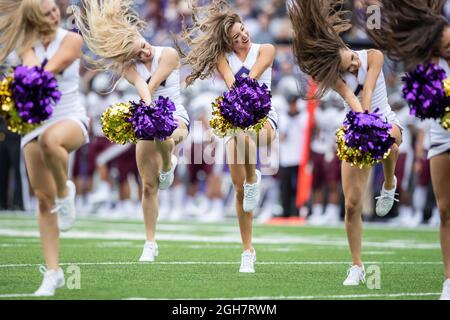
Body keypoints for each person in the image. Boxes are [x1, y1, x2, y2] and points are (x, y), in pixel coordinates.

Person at [288, 0, 403, 286]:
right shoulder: (333, 76)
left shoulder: (372, 55)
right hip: (354, 124)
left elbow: (367, 95)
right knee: (351, 204)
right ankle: (357, 266)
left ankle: (389, 183)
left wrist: (368, 120)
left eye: (351, 58)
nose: (353, 65)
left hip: (383, 117)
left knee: (390, 137)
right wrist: (361, 121)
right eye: (347, 66)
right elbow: (352, 101)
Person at [75, 0, 190, 262]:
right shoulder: (128, 68)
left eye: (143, 46)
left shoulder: (168, 53)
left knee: (169, 136)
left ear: (140, 36)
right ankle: (150, 243)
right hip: (148, 121)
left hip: (176, 116)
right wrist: (143, 110)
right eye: (138, 54)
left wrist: (144, 105)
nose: (145, 53)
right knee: (148, 187)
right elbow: (140, 84)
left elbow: (152, 84)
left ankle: (168, 162)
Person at [179, 0, 278, 273]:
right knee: (238, 190)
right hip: (237, 120)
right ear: (228, 42)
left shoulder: (265, 49)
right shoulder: (224, 59)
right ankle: (248, 250)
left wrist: (244, 88)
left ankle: (253, 177)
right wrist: (237, 99)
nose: (243, 36)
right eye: (236, 37)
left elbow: (254, 75)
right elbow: (230, 83)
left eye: (243, 30)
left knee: (246, 140)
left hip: (264, 116)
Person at [0, 0, 89, 296]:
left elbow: (48, 70)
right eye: (47, 12)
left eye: (54, 9)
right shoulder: (24, 44)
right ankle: (53, 273)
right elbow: (28, 71)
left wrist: (23, 81)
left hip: (69, 117)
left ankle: (66, 192)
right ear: (35, 18)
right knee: (41, 198)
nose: (55, 14)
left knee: (52, 141)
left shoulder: (72, 39)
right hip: (33, 123)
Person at [364, 0, 450, 300]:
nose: (448, 47)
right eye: (444, 45)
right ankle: (449, 282)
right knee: (445, 210)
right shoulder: (426, 67)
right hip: (442, 136)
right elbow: (425, 106)